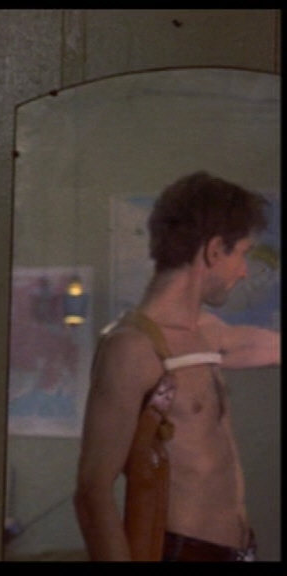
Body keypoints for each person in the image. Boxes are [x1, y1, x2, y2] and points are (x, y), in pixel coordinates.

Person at [74, 171, 281, 561]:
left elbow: (270, 347)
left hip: (238, 551)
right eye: (242, 254)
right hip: (181, 551)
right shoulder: (131, 349)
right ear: (214, 251)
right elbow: (92, 492)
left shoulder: (206, 334)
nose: (244, 270)